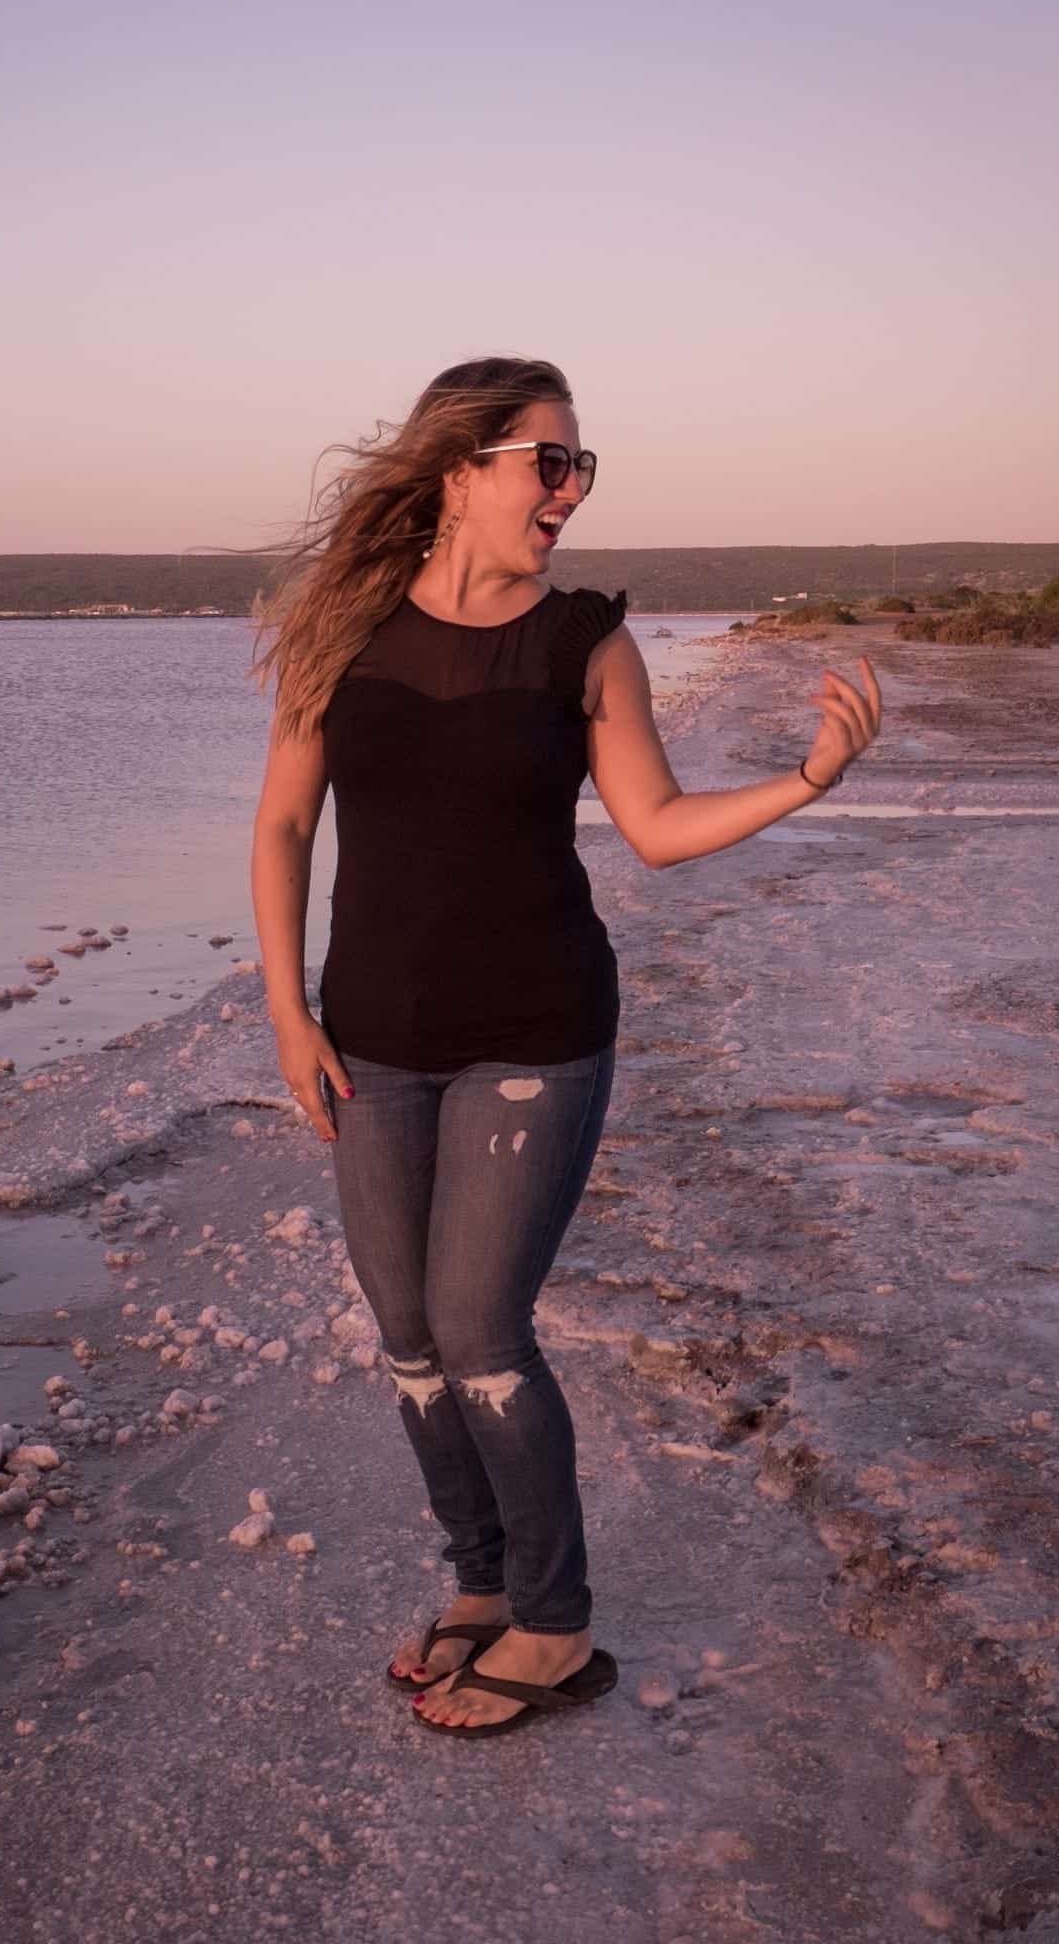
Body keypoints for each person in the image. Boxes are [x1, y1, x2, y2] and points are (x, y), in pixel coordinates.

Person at [247, 356, 881, 1736]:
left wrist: (806, 780)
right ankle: (477, 1587)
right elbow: (286, 824)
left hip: (534, 1032)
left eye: (579, 467)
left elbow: (652, 825)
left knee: (479, 1332)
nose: (568, 489)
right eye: (549, 461)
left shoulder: (583, 639)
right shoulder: (339, 631)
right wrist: (287, 1013)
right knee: (408, 1342)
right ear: (459, 470)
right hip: (371, 1038)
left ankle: (554, 1625)